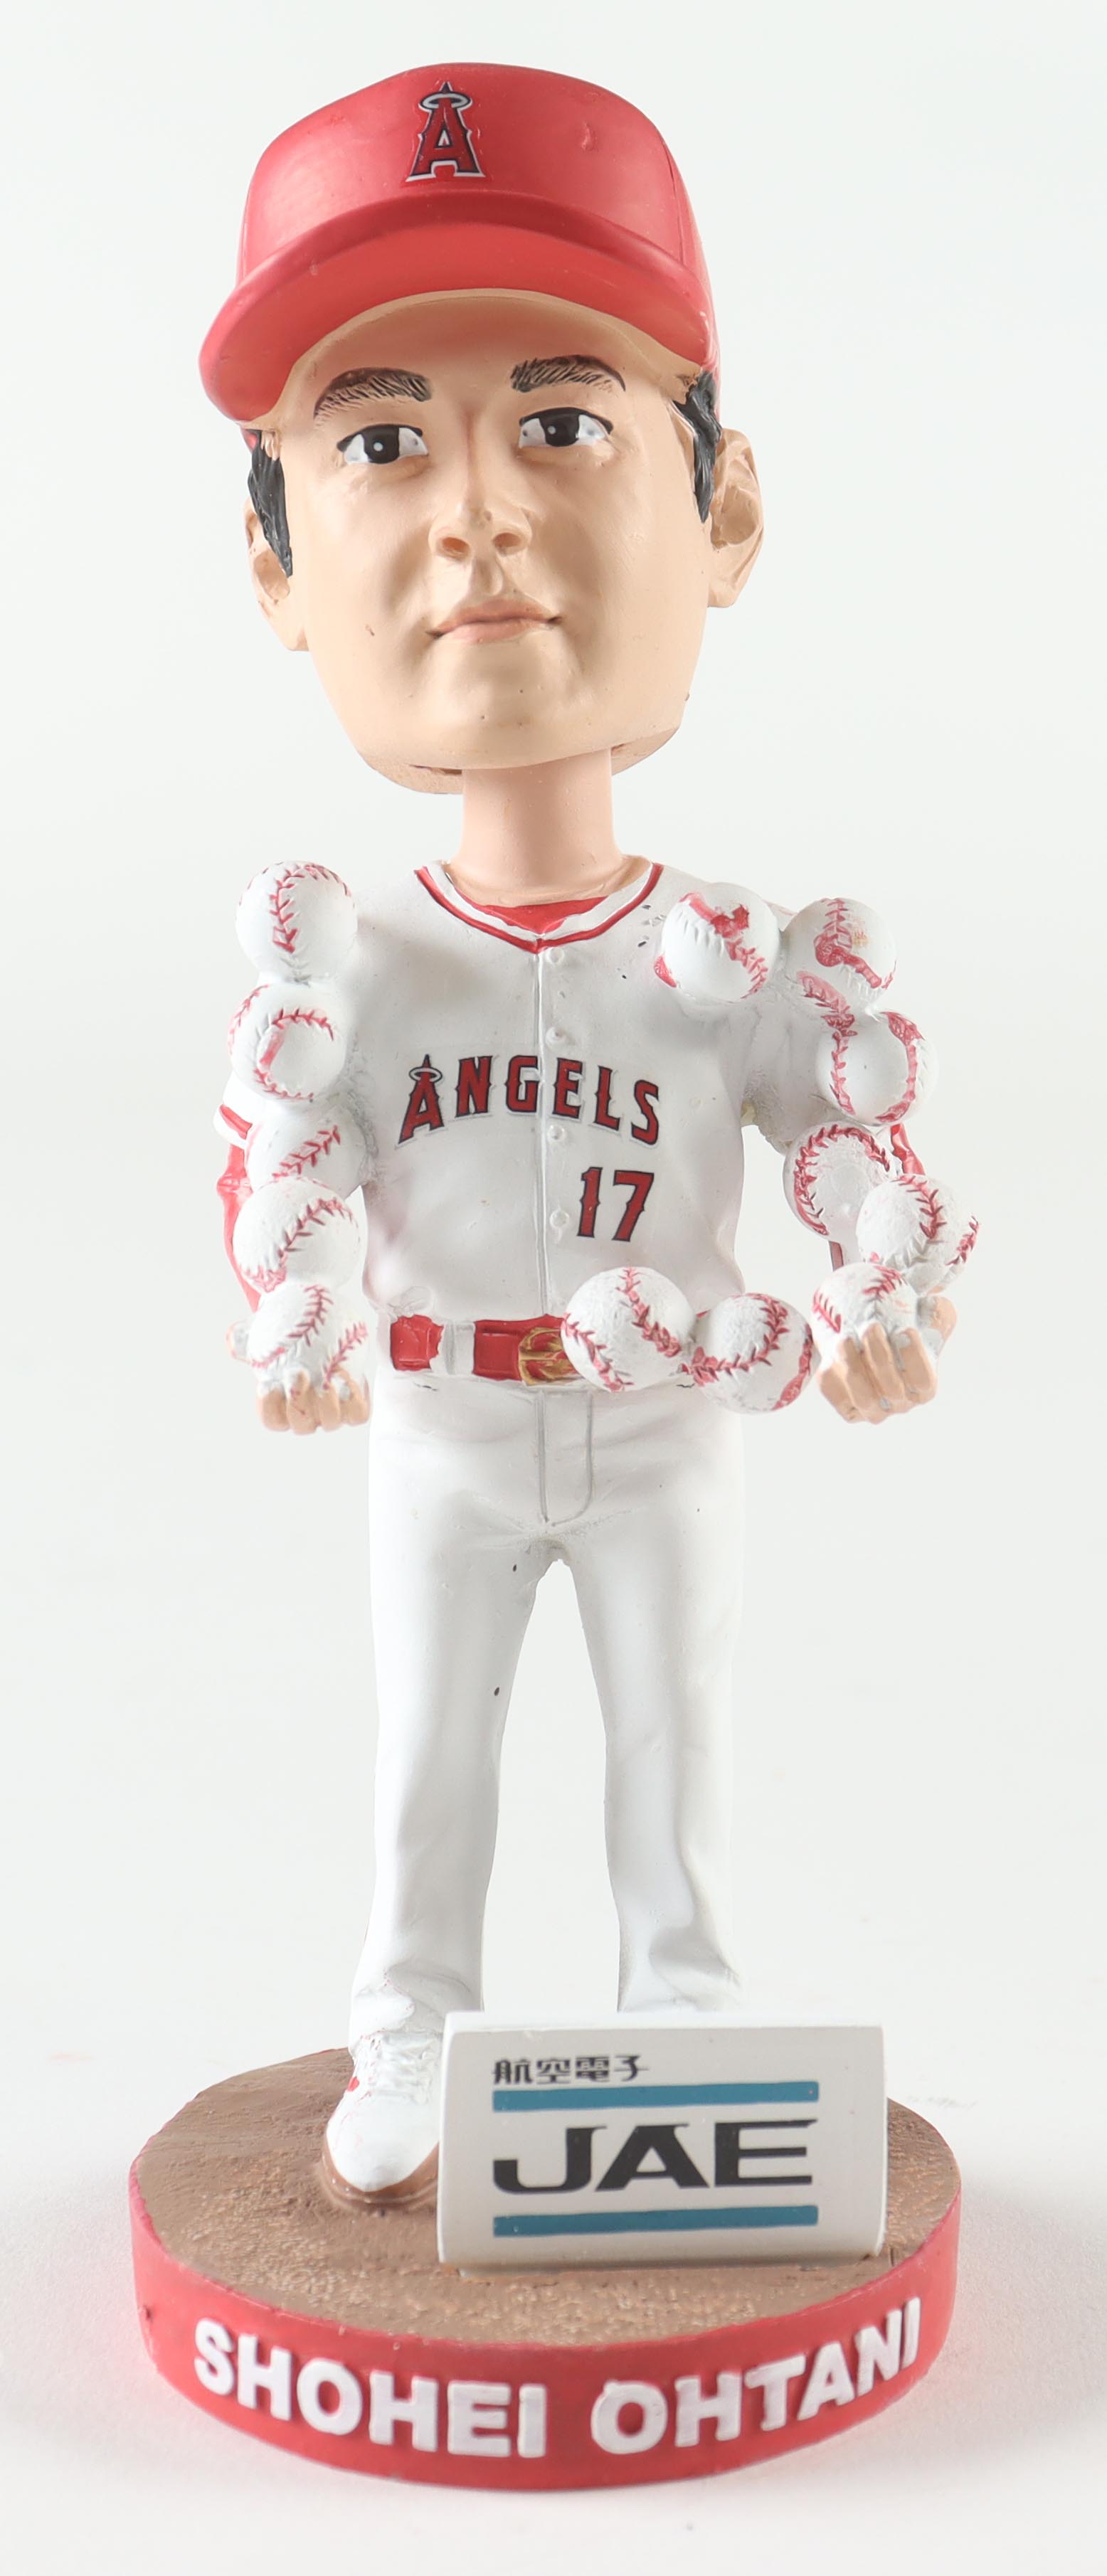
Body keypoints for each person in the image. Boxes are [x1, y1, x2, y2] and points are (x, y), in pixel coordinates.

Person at [202, 64, 959, 2210]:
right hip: (439, 1420)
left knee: (668, 1747)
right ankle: (408, 2028)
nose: (473, 516)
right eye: (377, 443)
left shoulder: (734, 953)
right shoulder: (348, 961)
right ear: (273, 561)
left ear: (722, 513)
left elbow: (860, 1148)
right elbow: (286, 1164)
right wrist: (292, 1311)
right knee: (427, 1763)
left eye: (561, 421)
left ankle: (685, 2026)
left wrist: (884, 1296)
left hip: (663, 1420)